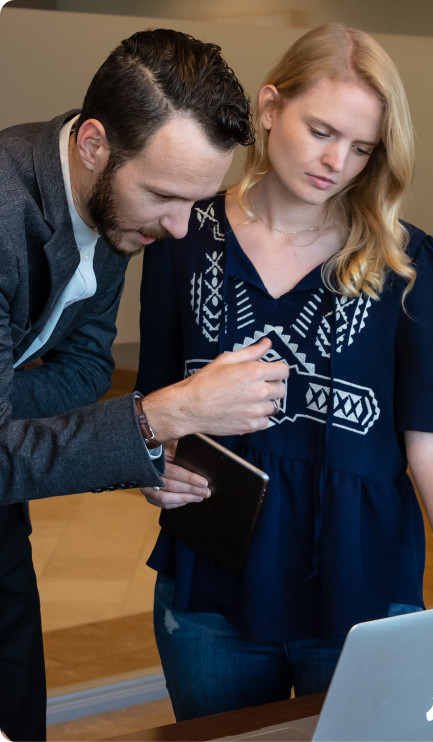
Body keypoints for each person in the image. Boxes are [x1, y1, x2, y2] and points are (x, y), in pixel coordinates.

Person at [136, 24, 433, 742]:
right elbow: (151, 409)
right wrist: (151, 466)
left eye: (362, 147)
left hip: (360, 599)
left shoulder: (405, 263)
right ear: (270, 108)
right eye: (321, 130)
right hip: (209, 593)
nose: (337, 161)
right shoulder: (184, 237)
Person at [0, 29, 288, 742]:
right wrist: (162, 416)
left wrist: (12, 419)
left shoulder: (119, 207)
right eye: (162, 194)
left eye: (197, 200)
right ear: (93, 143)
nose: (180, 226)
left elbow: (87, 368)